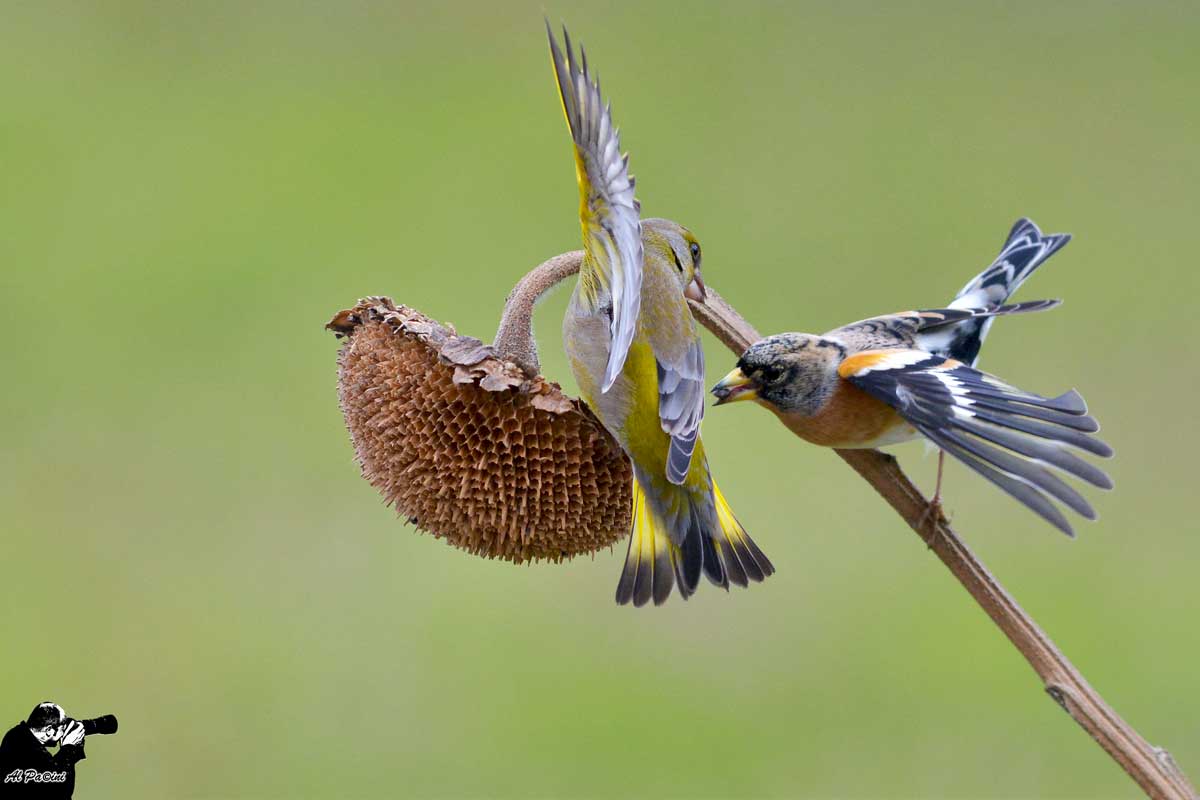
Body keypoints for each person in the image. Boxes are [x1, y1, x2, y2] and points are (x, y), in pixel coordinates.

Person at [0, 703, 86, 798]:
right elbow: (62, 791)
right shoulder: (37, 755)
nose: (63, 733)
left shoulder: (14, 735)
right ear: (49, 730)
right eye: (62, 729)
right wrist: (69, 747)